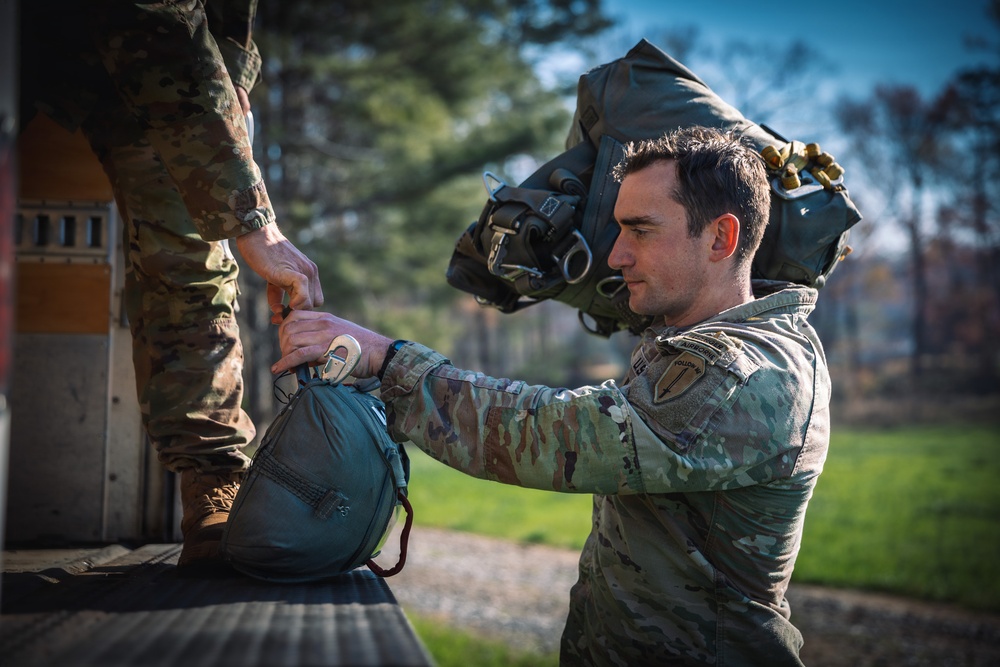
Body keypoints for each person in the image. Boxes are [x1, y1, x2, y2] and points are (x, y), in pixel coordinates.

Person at [273, 126, 830, 665]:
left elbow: (559, 434)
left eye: (641, 230)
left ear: (720, 238)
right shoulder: (690, 337)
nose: (616, 256)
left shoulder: (750, 370)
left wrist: (390, 361)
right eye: (616, 231)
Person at [19, 0, 323, 565]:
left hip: (162, 73)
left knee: (192, 258)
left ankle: (213, 478)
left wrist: (233, 83)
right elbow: (156, 17)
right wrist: (253, 219)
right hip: (113, 42)